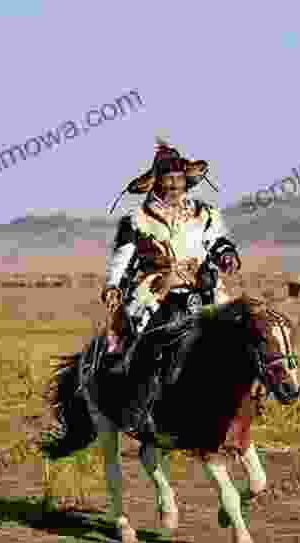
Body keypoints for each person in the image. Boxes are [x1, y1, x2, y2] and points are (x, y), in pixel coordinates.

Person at [99, 140, 242, 434]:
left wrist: (226, 256)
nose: (175, 183)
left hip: (202, 284)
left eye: (180, 178)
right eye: (169, 178)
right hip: (157, 287)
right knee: (144, 339)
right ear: (157, 182)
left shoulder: (206, 213)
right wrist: (113, 284)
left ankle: (241, 397)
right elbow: (122, 257)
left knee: (237, 333)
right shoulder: (136, 219)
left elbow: (217, 241)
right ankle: (136, 405)